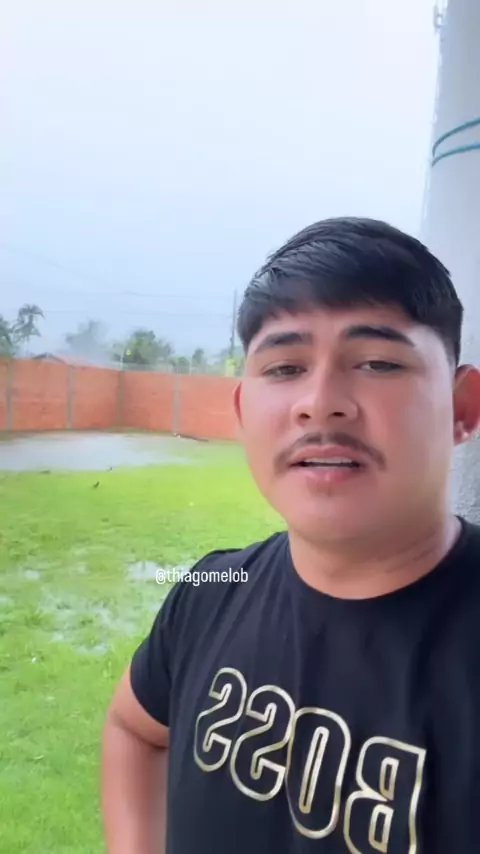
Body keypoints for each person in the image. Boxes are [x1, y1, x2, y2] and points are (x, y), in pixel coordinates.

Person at [101, 216, 480, 853]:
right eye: (284, 368)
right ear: (243, 410)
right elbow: (134, 727)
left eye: (379, 362)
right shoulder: (210, 588)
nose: (320, 402)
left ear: (462, 408)